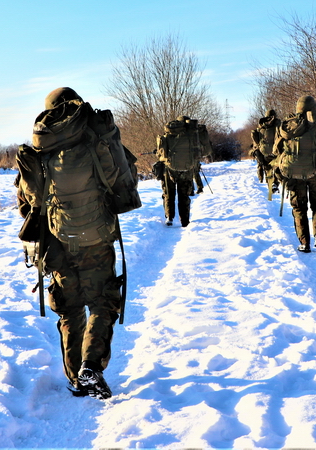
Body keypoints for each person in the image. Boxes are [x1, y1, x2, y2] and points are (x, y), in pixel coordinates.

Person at [14, 87, 134, 400]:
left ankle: (77, 378)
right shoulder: (96, 139)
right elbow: (124, 178)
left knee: (69, 310)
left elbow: (27, 203)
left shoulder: (41, 148)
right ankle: (91, 365)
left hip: (57, 243)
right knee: (102, 301)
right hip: (97, 237)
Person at [273, 96, 316, 252]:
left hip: (294, 173)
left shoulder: (287, 127)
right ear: (314, 108)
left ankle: (304, 243)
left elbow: (276, 151)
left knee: (299, 208)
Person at [156, 116, 202, 227]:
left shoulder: (168, 135)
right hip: (186, 170)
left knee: (169, 194)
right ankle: (185, 221)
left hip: (169, 169)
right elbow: (198, 153)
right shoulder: (191, 136)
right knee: (184, 195)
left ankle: (170, 218)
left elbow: (161, 154)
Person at [251, 109, 280, 196]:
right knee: (277, 167)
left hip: (264, 151)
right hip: (276, 151)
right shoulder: (278, 125)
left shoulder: (261, 127)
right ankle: (275, 183)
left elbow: (256, 139)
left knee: (268, 169)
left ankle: (270, 185)